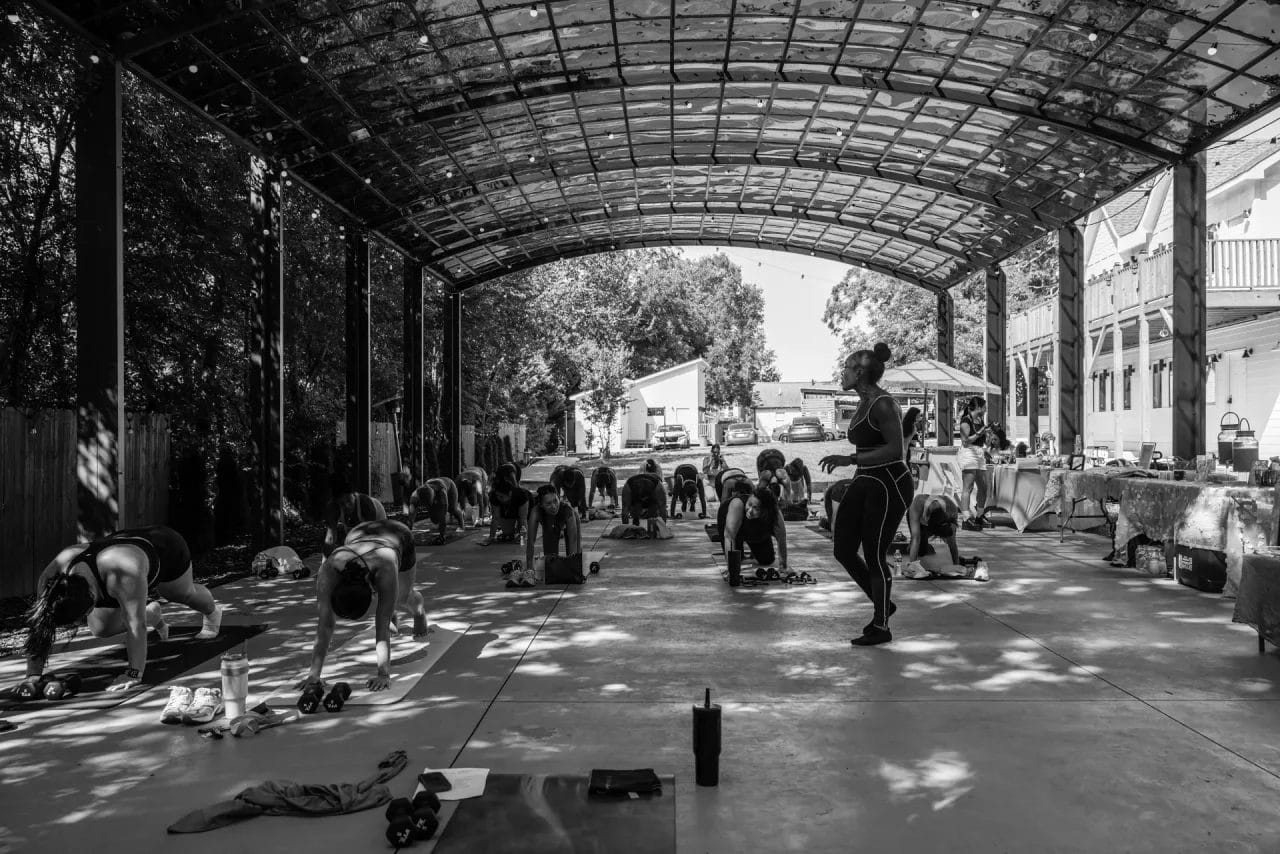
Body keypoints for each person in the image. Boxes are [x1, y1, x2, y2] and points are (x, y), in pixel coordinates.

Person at [18, 526, 222, 694]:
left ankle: (212, 613)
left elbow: (136, 626)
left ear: (90, 602)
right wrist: (33, 675)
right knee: (101, 630)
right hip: (116, 553)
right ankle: (152, 613)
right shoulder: (52, 577)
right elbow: (40, 625)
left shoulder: (125, 575)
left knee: (179, 593)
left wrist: (134, 674)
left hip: (165, 548)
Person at [820, 343, 912, 647]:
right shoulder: (863, 402)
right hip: (867, 479)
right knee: (843, 548)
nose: (842, 372)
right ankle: (882, 600)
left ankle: (881, 625)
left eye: (846, 367)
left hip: (889, 483)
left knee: (874, 553)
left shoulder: (883, 404)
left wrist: (851, 460)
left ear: (860, 372)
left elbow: (895, 450)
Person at [298, 519, 428, 692]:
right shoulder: (328, 571)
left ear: (372, 591)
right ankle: (391, 607)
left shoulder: (386, 567)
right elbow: (325, 624)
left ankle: (418, 611)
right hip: (359, 533)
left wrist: (383, 674)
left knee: (402, 597)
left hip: (398, 535)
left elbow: (381, 627)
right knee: (389, 601)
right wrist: (314, 675)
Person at [720, 484, 788, 572]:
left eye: (756, 508)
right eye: (749, 504)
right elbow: (729, 537)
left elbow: (781, 539)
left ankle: (753, 548)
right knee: (736, 561)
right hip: (732, 524)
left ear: (765, 511)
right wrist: (732, 570)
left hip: (754, 526)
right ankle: (739, 552)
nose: (750, 511)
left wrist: (783, 566)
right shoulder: (737, 505)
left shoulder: (775, 514)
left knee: (767, 560)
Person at [525, 484, 582, 576]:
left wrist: (572, 567)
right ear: (541, 505)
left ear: (559, 497)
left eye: (555, 501)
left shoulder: (567, 511)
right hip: (548, 523)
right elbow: (530, 542)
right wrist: (529, 568)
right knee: (550, 561)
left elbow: (573, 540)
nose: (554, 506)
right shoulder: (536, 512)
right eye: (548, 504)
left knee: (575, 559)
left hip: (568, 519)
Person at [903, 492, 963, 576]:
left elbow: (952, 543)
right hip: (916, 516)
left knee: (925, 545)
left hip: (934, 521)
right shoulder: (918, 504)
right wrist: (913, 566)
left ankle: (923, 544)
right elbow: (916, 538)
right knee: (920, 548)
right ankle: (914, 547)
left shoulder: (951, 508)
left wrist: (957, 566)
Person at [957, 396, 992, 530]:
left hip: (978, 453)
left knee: (983, 487)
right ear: (978, 407)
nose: (985, 409)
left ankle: (979, 515)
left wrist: (988, 436)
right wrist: (979, 432)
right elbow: (965, 441)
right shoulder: (966, 420)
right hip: (968, 453)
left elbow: (984, 442)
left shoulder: (980, 420)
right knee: (968, 487)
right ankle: (966, 518)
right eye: (984, 407)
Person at [324, 490, 387, 556]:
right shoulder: (333, 507)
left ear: (354, 494)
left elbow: (370, 537)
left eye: (349, 500)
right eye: (342, 503)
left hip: (376, 523)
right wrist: (325, 563)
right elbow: (330, 538)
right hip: (354, 532)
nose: (347, 506)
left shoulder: (365, 503)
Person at [407, 477, 468, 541]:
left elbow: (443, 516)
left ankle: (461, 524)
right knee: (435, 520)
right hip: (434, 489)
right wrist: (408, 532)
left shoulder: (441, 492)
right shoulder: (414, 496)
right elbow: (411, 516)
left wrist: (442, 536)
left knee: (452, 509)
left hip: (450, 486)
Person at [487, 477, 532, 543]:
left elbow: (523, 519)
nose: (499, 499)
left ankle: (519, 532)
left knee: (521, 524)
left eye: (501, 497)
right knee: (507, 532)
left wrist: (522, 538)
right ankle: (514, 532)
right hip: (509, 508)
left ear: (510, 494)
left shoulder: (521, 495)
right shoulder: (494, 496)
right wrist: (491, 537)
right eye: (498, 496)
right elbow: (496, 518)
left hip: (526, 504)